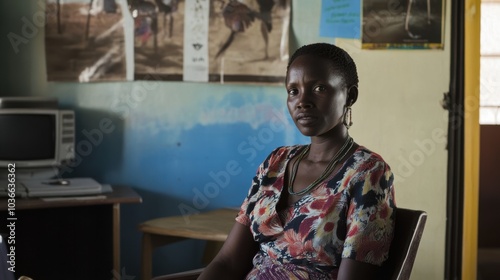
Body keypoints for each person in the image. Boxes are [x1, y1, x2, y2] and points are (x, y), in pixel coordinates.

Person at [198, 42, 396, 280]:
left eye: (320, 88)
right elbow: (228, 262)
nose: (302, 101)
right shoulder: (277, 162)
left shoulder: (368, 172)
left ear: (349, 96)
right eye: (293, 91)